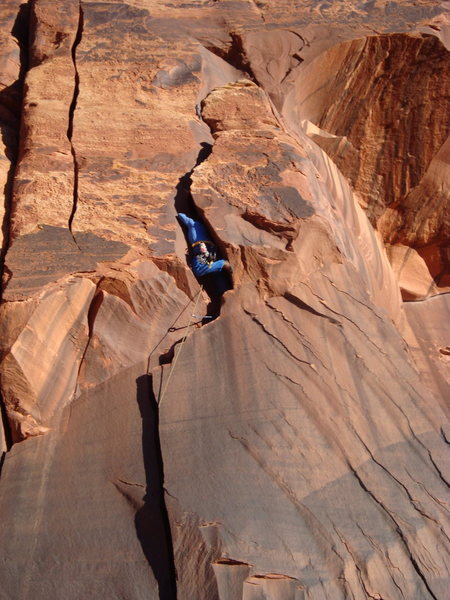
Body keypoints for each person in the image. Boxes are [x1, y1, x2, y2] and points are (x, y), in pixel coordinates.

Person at [177, 213, 232, 278]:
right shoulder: (204, 227)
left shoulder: (193, 224)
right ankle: (223, 283)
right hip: (211, 249)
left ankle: (223, 263)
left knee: (198, 270)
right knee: (214, 272)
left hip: (201, 248)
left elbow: (181, 215)